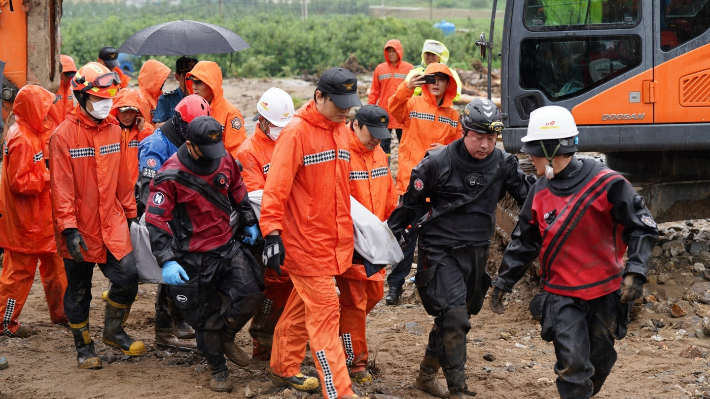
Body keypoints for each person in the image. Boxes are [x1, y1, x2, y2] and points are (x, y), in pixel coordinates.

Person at [489, 105, 658, 399]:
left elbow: (642, 227)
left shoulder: (607, 183)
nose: (528, 156)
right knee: (573, 368)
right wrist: (504, 281)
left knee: (600, 362)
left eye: (533, 150)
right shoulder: (539, 192)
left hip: (606, 293)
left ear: (552, 150)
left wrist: (637, 271)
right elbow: (525, 240)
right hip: (562, 296)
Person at [386, 98, 533, 398]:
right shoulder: (437, 162)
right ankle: (459, 390)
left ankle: (426, 375)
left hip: (477, 252)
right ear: (464, 131)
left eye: (491, 138)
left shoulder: (504, 164)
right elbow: (409, 205)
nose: (484, 145)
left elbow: (531, 200)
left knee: (457, 316)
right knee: (454, 318)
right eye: (478, 137)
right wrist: (391, 239)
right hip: (440, 251)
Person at [260, 67, 361, 398]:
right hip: (303, 245)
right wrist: (272, 234)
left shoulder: (341, 131)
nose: (346, 111)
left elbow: (341, 191)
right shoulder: (295, 134)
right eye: (339, 104)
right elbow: (275, 190)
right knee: (327, 312)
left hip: (333, 243)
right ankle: (339, 392)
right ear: (319, 97)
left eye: (349, 104)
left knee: (303, 306)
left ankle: (283, 364)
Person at [145, 115, 264, 392]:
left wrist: (247, 219)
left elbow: (236, 185)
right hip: (192, 255)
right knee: (204, 317)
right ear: (191, 145)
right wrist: (167, 260)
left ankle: (226, 335)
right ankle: (218, 369)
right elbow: (156, 219)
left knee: (253, 291)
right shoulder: (170, 175)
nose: (214, 157)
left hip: (225, 244)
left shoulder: (223, 157)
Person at [50, 62, 144, 369]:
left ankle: (113, 330)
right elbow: (60, 187)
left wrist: (130, 216)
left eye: (109, 99)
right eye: (100, 99)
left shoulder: (115, 131)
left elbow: (123, 180)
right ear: (81, 98)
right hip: (79, 227)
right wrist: (68, 228)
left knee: (129, 275)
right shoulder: (63, 136)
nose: (107, 105)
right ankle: (84, 347)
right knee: (79, 289)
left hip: (112, 222)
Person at [137, 94, 211, 347]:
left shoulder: (193, 143)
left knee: (190, 265)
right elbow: (147, 187)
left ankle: (177, 320)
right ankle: (166, 327)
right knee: (171, 264)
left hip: (189, 214)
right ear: (180, 123)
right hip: (162, 215)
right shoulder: (156, 145)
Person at [385, 62, 461, 306]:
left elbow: (462, 149)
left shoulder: (454, 116)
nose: (436, 83)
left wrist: (447, 149)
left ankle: (428, 289)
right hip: (411, 187)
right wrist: (407, 87)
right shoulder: (413, 104)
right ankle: (394, 287)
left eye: (441, 78)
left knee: (434, 243)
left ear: (449, 83)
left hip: (438, 190)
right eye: (432, 78)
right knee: (405, 241)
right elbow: (393, 110)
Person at [0, 85, 68, 338]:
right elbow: (19, 182)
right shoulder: (22, 138)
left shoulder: (31, 131)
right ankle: (5, 322)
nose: (46, 114)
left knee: (56, 267)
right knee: (18, 276)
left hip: (40, 218)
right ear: (31, 110)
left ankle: (62, 313)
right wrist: (51, 177)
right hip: (24, 222)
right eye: (42, 109)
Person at [337, 105, 398, 383]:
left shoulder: (379, 155)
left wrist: (394, 226)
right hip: (350, 243)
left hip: (375, 242)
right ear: (356, 124)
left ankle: (335, 334)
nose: (376, 139)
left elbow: (388, 194)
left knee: (372, 296)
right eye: (371, 133)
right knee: (354, 303)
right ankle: (355, 363)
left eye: (380, 135)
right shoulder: (340, 153)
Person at [236, 87, 295, 361]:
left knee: (291, 284)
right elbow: (257, 199)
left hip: (293, 225)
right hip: (267, 230)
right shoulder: (249, 152)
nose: (280, 130)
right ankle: (262, 345)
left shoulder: (291, 141)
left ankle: (279, 338)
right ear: (261, 119)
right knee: (273, 283)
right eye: (276, 124)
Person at [186, 61, 247, 157]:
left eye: (199, 82)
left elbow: (236, 151)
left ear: (212, 84)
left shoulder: (231, 113)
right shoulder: (189, 108)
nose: (194, 87)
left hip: (219, 166)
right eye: (192, 81)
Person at [367, 39, 413, 161]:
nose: (391, 54)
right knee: (383, 145)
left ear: (399, 52)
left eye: (394, 51)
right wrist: (370, 108)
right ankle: (385, 169)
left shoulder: (409, 68)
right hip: (384, 113)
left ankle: (406, 169)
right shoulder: (380, 68)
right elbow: (374, 91)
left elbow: (415, 92)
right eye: (389, 51)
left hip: (402, 114)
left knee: (405, 144)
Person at [110, 88, 153, 187]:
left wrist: (142, 131)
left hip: (137, 186)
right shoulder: (108, 129)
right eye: (123, 111)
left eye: (132, 112)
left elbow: (151, 155)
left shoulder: (147, 129)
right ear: (116, 110)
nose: (127, 116)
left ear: (138, 112)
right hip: (114, 186)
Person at [153, 56, 198, 128]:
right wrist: (175, 122)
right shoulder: (166, 99)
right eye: (186, 75)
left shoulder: (202, 98)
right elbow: (157, 127)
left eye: (194, 76)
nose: (190, 79)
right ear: (177, 77)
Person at [137, 59, 171, 130]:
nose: (164, 82)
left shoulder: (155, 97)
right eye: (161, 79)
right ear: (152, 78)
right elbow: (145, 127)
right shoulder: (143, 101)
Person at [47, 55, 77, 134]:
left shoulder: (70, 89)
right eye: (66, 74)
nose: (68, 77)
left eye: (70, 75)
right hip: (49, 134)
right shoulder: (50, 88)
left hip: (65, 133)